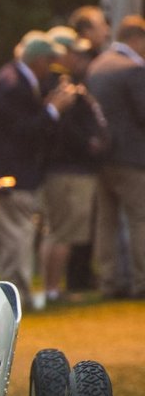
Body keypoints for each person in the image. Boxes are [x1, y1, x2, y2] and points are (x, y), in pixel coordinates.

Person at [0, 32, 76, 307]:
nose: (53, 68)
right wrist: (53, 110)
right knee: (17, 237)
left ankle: (17, 293)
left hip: (11, 173)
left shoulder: (14, 79)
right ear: (40, 60)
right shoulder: (13, 85)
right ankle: (15, 297)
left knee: (16, 236)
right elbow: (23, 132)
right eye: (50, 61)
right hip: (12, 176)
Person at [39, 27, 108, 303]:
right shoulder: (59, 85)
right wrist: (89, 145)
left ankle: (50, 290)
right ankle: (53, 291)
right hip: (68, 169)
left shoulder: (57, 82)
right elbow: (64, 129)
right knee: (62, 232)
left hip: (63, 169)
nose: (79, 57)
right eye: (74, 52)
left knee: (57, 231)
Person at [86, 15, 145, 299]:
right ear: (136, 38)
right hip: (132, 157)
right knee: (139, 219)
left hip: (101, 157)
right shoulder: (132, 68)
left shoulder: (97, 66)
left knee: (106, 222)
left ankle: (109, 281)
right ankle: (141, 281)